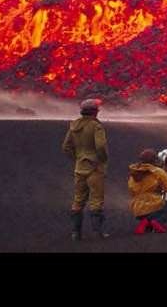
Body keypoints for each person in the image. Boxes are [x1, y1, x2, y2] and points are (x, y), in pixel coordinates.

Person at [62, 95, 109, 241]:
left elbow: (66, 147)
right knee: (96, 200)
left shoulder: (73, 126)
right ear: (95, 112)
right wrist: (102, 159)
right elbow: (100, 146)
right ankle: (97, 233)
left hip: (79, 168)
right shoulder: (96, 126)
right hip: (94, 168)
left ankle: (76, 234)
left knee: (78, 200)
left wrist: (77, 158)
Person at [128, 148, 167, 233]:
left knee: (151, 210)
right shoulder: (158, 172)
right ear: (154, 160)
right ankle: (155, 222)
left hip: (136, 209)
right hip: (151, 206)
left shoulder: (134, 174)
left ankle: (146, 224)